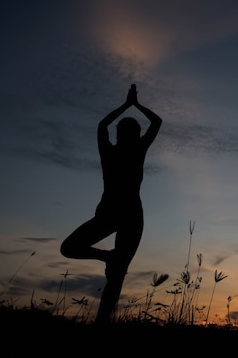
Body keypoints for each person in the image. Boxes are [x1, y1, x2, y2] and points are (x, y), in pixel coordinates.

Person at [60, 84, 162, 324]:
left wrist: (127, 105)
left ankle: (102, 321)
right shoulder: (127, 150)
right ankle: (108, 258)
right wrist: (134, 105)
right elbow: (156, 122)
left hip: (123, 216)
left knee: (115, 275)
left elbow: (103, 125)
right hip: (117, 214)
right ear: (132, 135)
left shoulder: (120, 151)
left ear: (122, 135)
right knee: (107, 267)